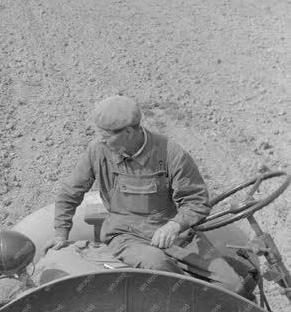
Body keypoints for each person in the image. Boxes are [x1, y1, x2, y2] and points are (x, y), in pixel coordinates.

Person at [52, 95, 256, 297]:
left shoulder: (170, 153)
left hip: (175, 235)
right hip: (125, 236)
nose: (101, 141)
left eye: (106, 136)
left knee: (233, 285)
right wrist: (61, 233)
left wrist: (174, 225)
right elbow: (70, 191)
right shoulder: (97, 151)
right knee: (157, 263)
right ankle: (190, 309)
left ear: (129, 132)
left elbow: (197, 201)